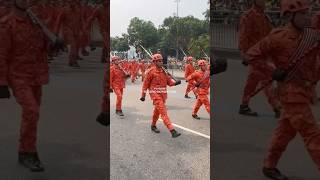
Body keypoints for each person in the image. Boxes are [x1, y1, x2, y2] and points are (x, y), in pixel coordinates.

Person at [247, 0, 320, 179]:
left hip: (305, 91)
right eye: (302, 14)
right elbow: (252, 55)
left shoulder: (312, 36)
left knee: (284, 132)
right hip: (291, 93)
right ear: (289, 16)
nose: (306, 17)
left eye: (307, 13)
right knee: (312, 135)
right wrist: (273, 71)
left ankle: (269, 165)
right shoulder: (277, 37)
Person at [0, 0, 61, 172]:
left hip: (36, 74)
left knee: (32, 115)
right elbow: (1, 55)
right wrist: (2, 82)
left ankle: (26, 151)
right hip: (18, 76)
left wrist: (54, 45)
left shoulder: (35, 21)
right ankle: (28, 152)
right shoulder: (7, 25)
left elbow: (42, 48)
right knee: (32, 110)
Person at [238, 0, 281, 118]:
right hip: (254, 54)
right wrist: (244, 53)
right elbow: (243, 35)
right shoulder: (248, 16)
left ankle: (244, 105)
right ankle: (277, 107)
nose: (265, 2)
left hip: (264, 53)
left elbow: (269, 35)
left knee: (253, 81)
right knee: (268, 78)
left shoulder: (264, 16)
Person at [140, 54, 182, 138]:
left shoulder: (164, 71)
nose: (161, 62)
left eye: (161, 60)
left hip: (163, 94)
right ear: (154, 62)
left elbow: (169, 83)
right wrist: (143, 95)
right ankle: (172, 130)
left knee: (157, 111)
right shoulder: (150, 72)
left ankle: (153, 125)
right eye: (159, 61)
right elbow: (145, 84)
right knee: (163, 112)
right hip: (155, 94)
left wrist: (175, 83)